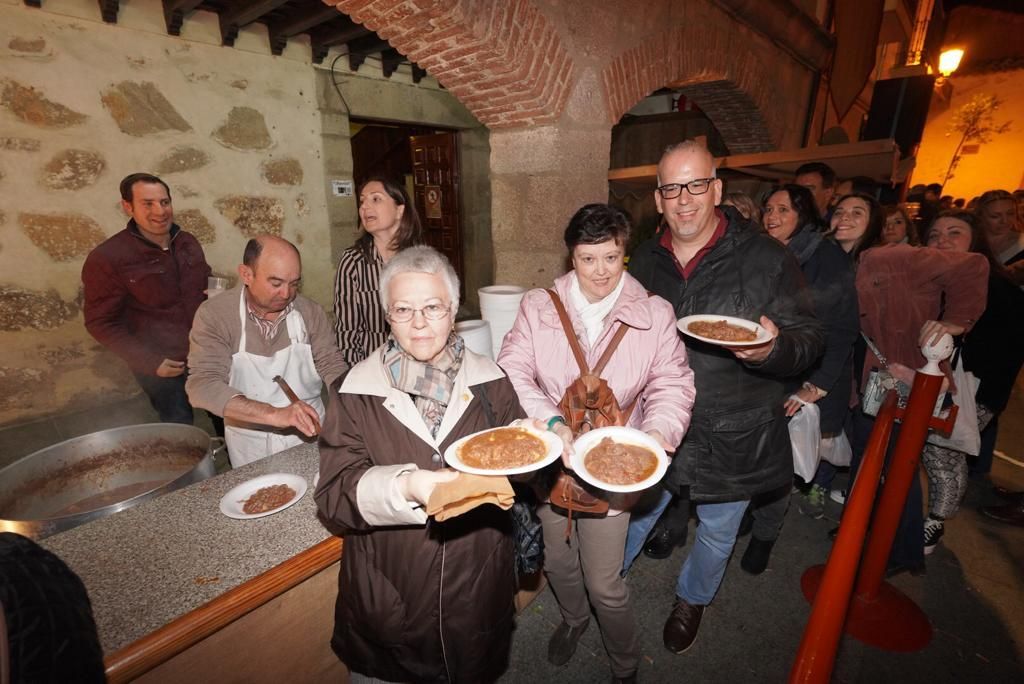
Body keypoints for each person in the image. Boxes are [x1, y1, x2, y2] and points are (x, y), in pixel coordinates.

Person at [626, 141, 824, 653]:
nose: (684, 199)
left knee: (718, 527)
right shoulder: (644, 260)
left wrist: (770, 351)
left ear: (716, 189)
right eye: (672, 188)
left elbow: (809, 338)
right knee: (638, 510)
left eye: (696, 185)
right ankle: (608, 582)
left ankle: (692, 599)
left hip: (736, 424)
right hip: (657, 417)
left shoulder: (766, 257)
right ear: (659, 198)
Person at [499, 204, 695, 682]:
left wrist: (654, 438)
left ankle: (625, 663)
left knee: (605, 582)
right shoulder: (538, 305)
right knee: (558, 562)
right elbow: (513, 368)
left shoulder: (653, 312)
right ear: (572, 257)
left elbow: (673, 383)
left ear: (624, 252)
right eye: (588, 259)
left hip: (615, 463)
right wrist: (551, 423)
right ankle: (572, 618)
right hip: (552, 460)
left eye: (611, 257)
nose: (600, 271)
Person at [316, 246, 525, 683]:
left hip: (477, 584)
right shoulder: (354, 392)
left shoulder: (492, 382)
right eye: (403, 309)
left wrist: (535, 444)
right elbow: (334, 496)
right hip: (391, 593)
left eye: (432, 307)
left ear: (453, 310)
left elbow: (522, 474)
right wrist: (407, 487)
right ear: (386, 316)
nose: (418, 322)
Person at [832, 193, 988, 575]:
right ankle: (862, 532)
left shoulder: (890, 257)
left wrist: (957, 321)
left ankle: (897, 553)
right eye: (839, 211)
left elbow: (973, 267)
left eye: (858, 213)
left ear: (874, 223)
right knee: (870, 460)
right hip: (869, 379)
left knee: (896, 468)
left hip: (902, 379)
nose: (846, 218)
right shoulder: (842, 263)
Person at [741, 185, 858, 573]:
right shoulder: (764, 250)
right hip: (764, 368)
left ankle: (765, 534)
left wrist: (818, 385)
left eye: (783, 209)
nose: (772, 216)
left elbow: (841, 330)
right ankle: (745, 514)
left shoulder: (825, 258)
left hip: (804, 376)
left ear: (803, 214)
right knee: (750, 451)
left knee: (778, 461)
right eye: (768, 208)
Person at [186, 235, 347, 468]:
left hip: (311, 434)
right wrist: (276, 414)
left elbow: (331, 363)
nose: (286, 294)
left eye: (294, 284)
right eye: (276, 283)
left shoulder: (309, 313)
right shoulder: (216, 315)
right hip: (251, 443)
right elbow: (202, 385)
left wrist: (351, 403)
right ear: (246, 275)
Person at [923, 212, 1024, 533]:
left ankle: (936, 523)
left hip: (974, 389)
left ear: (975, 242)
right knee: (927, 449)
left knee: (943, 453)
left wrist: (961, 331)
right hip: (934, 382)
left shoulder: (997, 287)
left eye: (954, 233)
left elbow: (1006, 350)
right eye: (935, 234)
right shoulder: (931, 280)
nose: (942, 240)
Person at [82, 173, 211, 425]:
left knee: (224, 408)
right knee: (178, 421)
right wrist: (149, 362)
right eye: (148, 203)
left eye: (164, 202)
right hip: (161, 360)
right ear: (127, 206)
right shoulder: (108, 258)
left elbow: (204, 284)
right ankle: (186, 463)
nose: (160, 211)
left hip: (203, 350)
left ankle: (237, 460)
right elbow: (99, 322)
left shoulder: (187, 242)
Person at [334, 177, 422, 367]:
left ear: (399, 210)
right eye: (362, 201)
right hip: (374, 368)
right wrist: (357, 377)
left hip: (418, 365)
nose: (364, 207)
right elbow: (346, 331)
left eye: (376, 199)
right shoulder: (353, 261)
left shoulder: (421, 259)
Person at [975, 189, 1024, 285]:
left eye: (1010, 214)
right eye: (995, 216)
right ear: (980, 216)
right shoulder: (970, 242)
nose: (1005, 221)